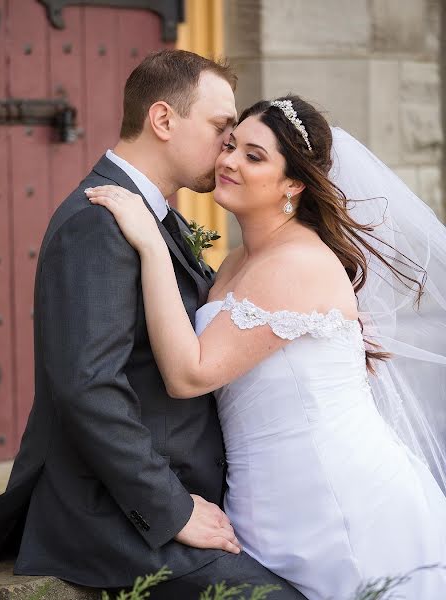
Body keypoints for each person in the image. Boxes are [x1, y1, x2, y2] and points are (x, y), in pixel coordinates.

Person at [0, 51, 305, 599]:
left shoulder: (157, 217)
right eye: (221, 127)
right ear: (164, 119)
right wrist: (170, 511)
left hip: (188, 495)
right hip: (117, 518)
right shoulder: (96, 223)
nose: (228, 145)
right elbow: (88, 388)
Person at [86, 94, 446, 600]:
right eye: (229, 145)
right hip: (265, 494)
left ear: (294, 183)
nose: (229, 161)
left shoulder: (295, 265)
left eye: (254, 156)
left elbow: (190, 374)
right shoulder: (238, 259)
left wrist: (150, 245)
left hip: (331, 496)